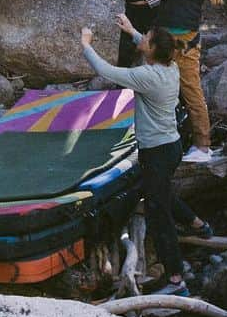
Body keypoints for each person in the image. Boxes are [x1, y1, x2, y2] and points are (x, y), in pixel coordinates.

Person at [81, 17, 212, 295]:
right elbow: (153, 45)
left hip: (157, 153)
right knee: (159, 191)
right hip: (170, 146)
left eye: (145, 38)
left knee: (158, 214)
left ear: (151, 50)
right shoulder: (170, 66)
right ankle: (197, 223)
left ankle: (177, 280)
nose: (142, 40)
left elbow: (106, 71)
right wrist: (131, 30)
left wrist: (86, 45)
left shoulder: (147, 77)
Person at [128, 0, 224, 163]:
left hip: (182, 46)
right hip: (167, 40)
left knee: (191, 94)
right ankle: (154, 137)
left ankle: (203, 147)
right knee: (152, 89)